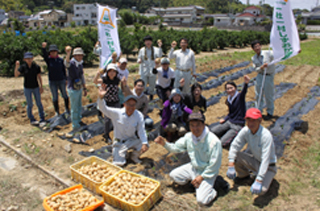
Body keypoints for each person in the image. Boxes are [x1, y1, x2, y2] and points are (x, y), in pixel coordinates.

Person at [155, 112, 222, 206]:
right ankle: (195, 182)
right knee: (174, 175)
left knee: (202, 201)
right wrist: (164, 144)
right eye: (192, 125)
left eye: (198, 125)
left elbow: (214, 165)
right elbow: (176, 147)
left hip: (207, 172)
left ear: (203, 124)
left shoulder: (213, 142)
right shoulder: (189, 137)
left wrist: (201, 177)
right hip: (194, 167)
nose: (195, 129)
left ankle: (213, 190)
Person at [226, 108, 277, 195]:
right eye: (248, 120)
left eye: (254, 120)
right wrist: (231, 164)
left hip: (269, 166)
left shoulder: (265, 136)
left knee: (262, 191)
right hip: (256, 161)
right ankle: (244, 176)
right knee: (236, 155)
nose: (250, 123)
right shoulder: (246, 130)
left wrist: (259, 179)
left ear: (260, 121)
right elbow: (235, 145)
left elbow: (266, 159)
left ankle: (264, 177)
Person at [97, 84, 149, 166]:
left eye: (133, 105)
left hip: (132, 140)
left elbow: (141, 130)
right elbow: (103, 108)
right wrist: (101, 98)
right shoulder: (117, 113)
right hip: (120, 142)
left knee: (145, 144)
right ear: (124, 104)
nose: (131, 107)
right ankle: (123, 155)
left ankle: (134, 157)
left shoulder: (138, 115)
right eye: (129, 104)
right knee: (119, 164)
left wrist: (144, 143)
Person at [210, 75, 250, 147]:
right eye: (228, 89)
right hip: (230, 122)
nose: (230, 90)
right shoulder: (229, 99)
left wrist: (246, 83)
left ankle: (238, 133)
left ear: (235, 88)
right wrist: (224, 119)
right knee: (212, 132)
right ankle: (227, 132)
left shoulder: (239, 97)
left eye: (231, 88)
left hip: (237, 125)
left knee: (222, 143)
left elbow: (244, 92)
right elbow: (230, 113)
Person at [14, 52, 46, 127]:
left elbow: (39, 77)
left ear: (33, 58)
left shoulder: (36, 66)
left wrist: (41, 86)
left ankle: (42, 118)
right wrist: (16, 66)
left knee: (39, 103)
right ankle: (31, 119)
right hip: (27, 88)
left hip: (36, 87)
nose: (29, 60)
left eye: (30, 58)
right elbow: (16, 74)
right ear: (24, 59)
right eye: (27, 58)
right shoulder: (23, 67)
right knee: (30, 104)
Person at [93, 63, 122, 142]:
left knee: (118, 118)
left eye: (114, 71)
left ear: (116, 72)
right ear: (107, 72)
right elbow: (95, 81)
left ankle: (118, 134)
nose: (112, 73)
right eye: (110, 71)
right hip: (107, 102)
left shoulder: (117, 80)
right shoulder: (104, 79)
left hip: (116, 101)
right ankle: (106, 134)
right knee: (107, 120)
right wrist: (98, 74)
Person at [41, 42, 69, 116]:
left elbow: (64, 69)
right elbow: (44, 56)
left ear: (57, 52)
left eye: (54, 51)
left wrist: (66, 79)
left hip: (61, 80)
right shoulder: (49, 60)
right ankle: (57, 111)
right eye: (52, 52)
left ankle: (67, 109)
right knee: (55, 97)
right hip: (52, 81)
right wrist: (43, 48)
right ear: (50, 53)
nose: (53, 53)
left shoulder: (60, 60)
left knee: (64, 94)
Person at [65, 46, 88, 132]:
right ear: (74, 56)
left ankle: (78, 120)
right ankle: (75, 125)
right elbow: (66, 63)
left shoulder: (80, 64)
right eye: (78, 55)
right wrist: (68, 53)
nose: (79, 57)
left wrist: (84, 88)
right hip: (72, 89)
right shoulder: (71, 63)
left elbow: (82, 76)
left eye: (81, 55)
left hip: (79, 88)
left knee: (78, 106)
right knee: (74, 107)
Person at [251, 40, 275, 120]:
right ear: (253, 49)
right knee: (258, 94)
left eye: (258, 46)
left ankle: (270, 112)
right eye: (255, 47)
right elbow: (256, 69)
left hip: (268, 76)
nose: (257, 48)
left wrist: (294, 52)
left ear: (260, 46)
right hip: (260, 76)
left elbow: (279, 55)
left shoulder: (269, 53)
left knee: (268, 95)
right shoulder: (254, 58)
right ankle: (258, 112)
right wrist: (261, 67)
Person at [137, 35, 163, 101]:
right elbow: (139, 58)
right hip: (144, 70)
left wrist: (160, 46)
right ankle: (143, 98)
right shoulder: (142, 50)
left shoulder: (156, 49)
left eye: (149, 41)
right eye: (146, 41)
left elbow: (160, 55)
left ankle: (151, 98)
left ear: (151, 42)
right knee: (143, 84)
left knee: (152, 85)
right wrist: (139, 60)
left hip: (153, 70)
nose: (148, 42)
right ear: (144, 42)